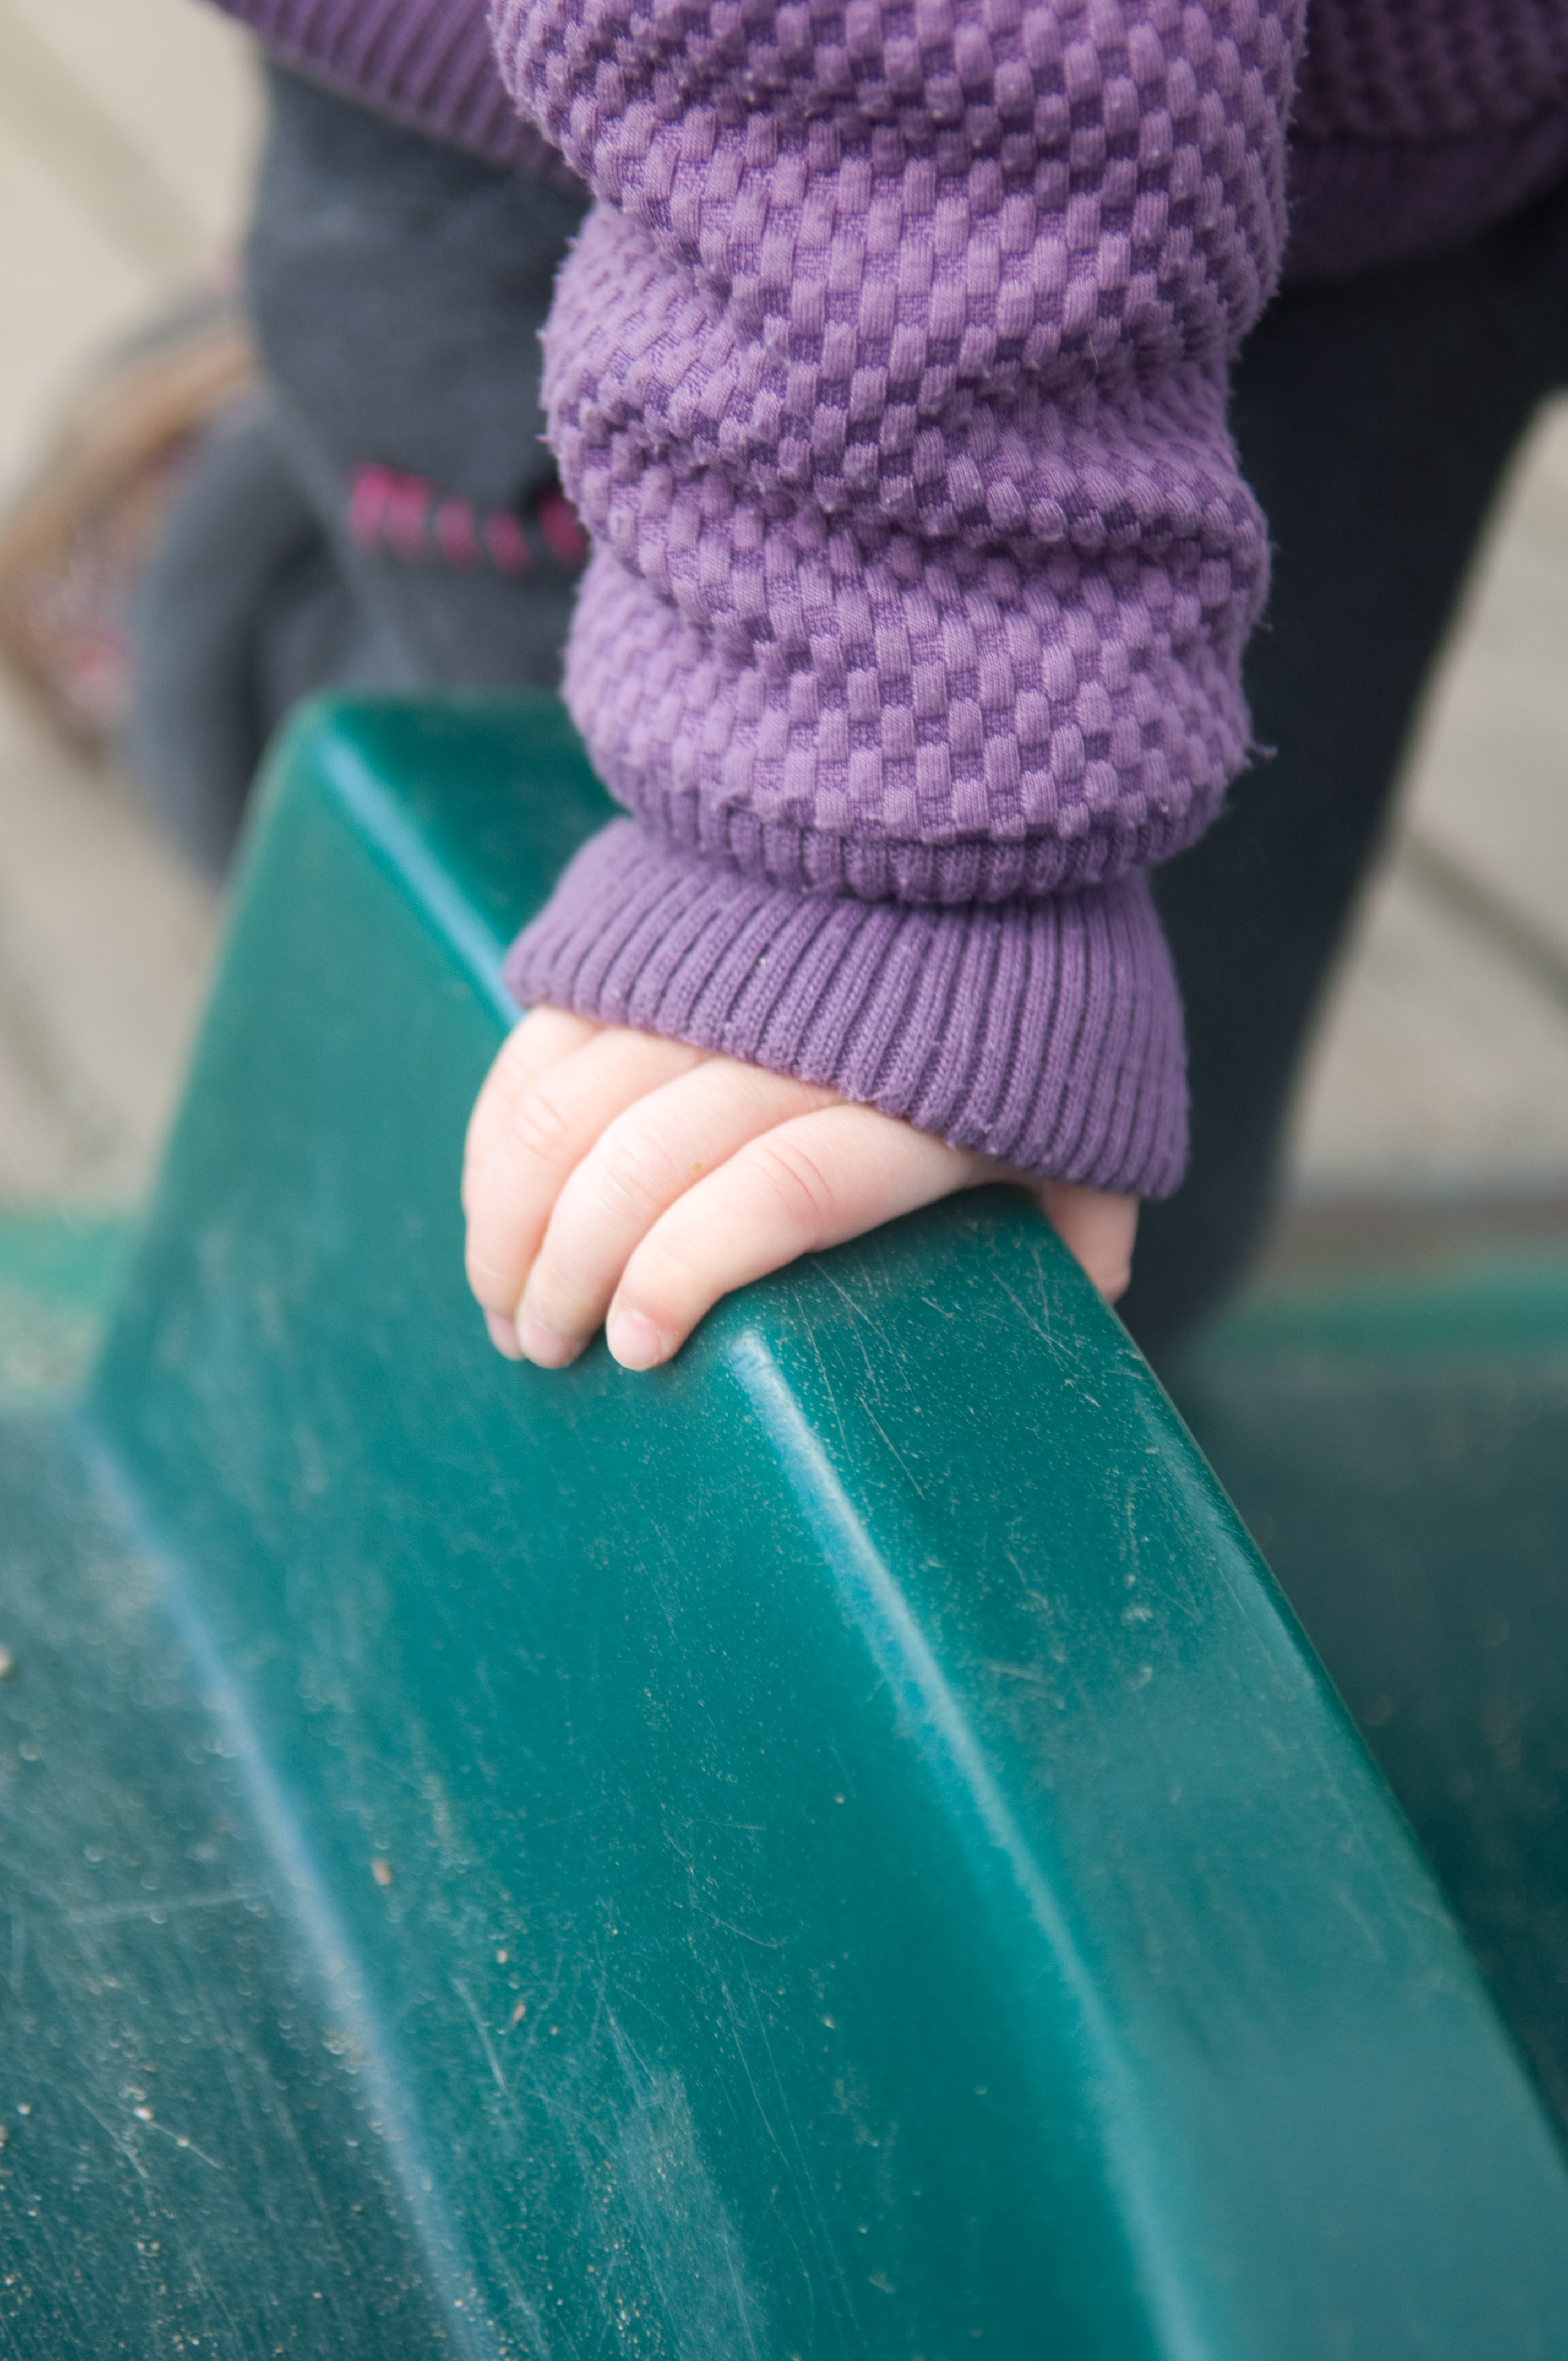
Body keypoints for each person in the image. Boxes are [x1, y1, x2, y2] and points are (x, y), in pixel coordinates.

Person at [206, 0, 1568, 1374]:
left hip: (1405, 139)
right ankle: (217, 580)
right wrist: (874, 803)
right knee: (733, 1229)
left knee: (1085, 1235)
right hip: (729, 157)